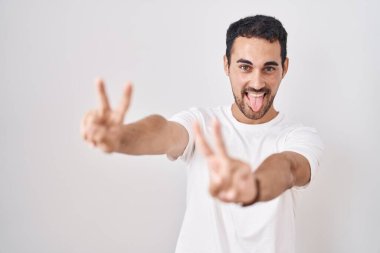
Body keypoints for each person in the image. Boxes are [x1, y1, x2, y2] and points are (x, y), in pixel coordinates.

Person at [80, 15, 324, 253]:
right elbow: (162, 132)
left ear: (285, 68)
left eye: (269, 68)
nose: (257, 82)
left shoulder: (299, 136)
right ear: (226, 65)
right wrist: (121, 137)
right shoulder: (201, 123)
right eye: (245, 67)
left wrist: (254, 186)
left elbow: (289, 168)